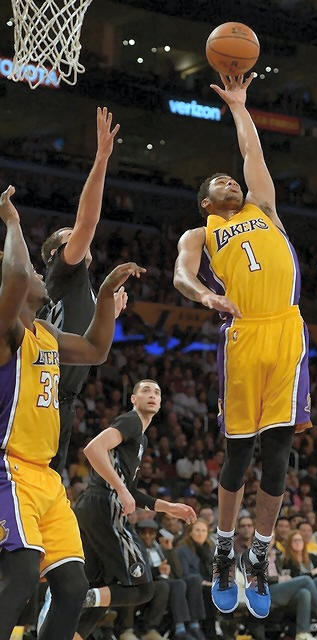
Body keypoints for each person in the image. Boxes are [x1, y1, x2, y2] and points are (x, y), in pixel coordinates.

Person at [173, 72, 312, 619]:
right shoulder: (200, 234)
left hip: (288, 332)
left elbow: (252, 152)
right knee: (239, 454)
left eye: (232, 179)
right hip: (245, 335)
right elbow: (182, 276)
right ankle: (224, 548)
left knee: (278, 457)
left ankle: (259, 554)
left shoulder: (264, 208)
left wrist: (239, 106)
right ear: (205, 202)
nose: (230, 182)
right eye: (220, 182)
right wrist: (207, 296)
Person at [0, 185, 143, 640]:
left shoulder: (46, 332)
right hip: (9, 469)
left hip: (45, 475)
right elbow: (16, 273)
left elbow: (97, 349)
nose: (40, 275)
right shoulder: (8, 332)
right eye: (34, 272)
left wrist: (106, 294)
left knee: (72, 585)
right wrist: (12, 221)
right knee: (22, 573)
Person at [71, 379, 197, 640]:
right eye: (146, 390)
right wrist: (120, 489)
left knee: (105, 588)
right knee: (142, 589)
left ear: (160, 403)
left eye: (157, 392)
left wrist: (167, 507)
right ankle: (73, 597)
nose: (152, 395)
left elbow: (132, 490)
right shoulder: (131, 421)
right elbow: (93, 449)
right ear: (133, 399)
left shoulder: (141, 438)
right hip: (104, 505)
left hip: (92, 507)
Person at [40, 106, 124, 477]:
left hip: (62, 396)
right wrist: (102, 158)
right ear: (56, 254)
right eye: (69, 237)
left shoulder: (80, 289)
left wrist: (107, 314)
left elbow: (93, 345)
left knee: (48, 479)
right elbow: (88, 221)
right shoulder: (63, 269)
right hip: (44, 388)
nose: (79, 238)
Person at [137, 519, 206, 640]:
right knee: (178, 584)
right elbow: (138, 572)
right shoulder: (137, 549)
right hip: (153, 582)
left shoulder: (159, 548)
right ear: (138, 534)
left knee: (192, 581)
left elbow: (178, 572)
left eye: (151, 533)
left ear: (155, 534)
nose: (147, 536)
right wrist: (158, 570)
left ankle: (194, 625)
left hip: (167, 580)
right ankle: (180, 628)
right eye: (144, 533)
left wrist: (170, 550)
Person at [177, 519, 217, 640]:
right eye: (197, 530)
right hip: (191, 584)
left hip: (209, 582)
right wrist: (202, 582)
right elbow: (183, 573)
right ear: (190, 532)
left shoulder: (210, 548)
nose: (200, 533)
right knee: (208, 593)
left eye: (204, 530)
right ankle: (205, 631)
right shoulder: (183, 549)